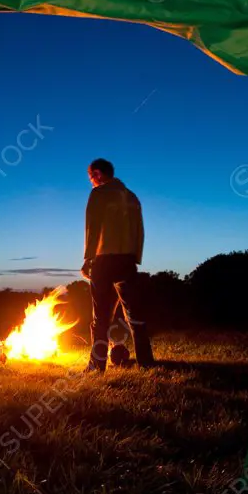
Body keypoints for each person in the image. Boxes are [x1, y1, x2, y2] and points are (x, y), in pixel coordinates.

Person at [81, 158, 154, 371]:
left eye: (91, 177)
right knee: (135, 315)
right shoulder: (132, 197)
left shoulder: (99, 194)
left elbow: (91, 228)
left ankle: (97, 365)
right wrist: (135, 258)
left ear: (98, 173)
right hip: (127, 260)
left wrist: (88, 258)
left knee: (101, 316)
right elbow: (140, 231)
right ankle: (146, 363)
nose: (91, 182)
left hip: (104, 260)